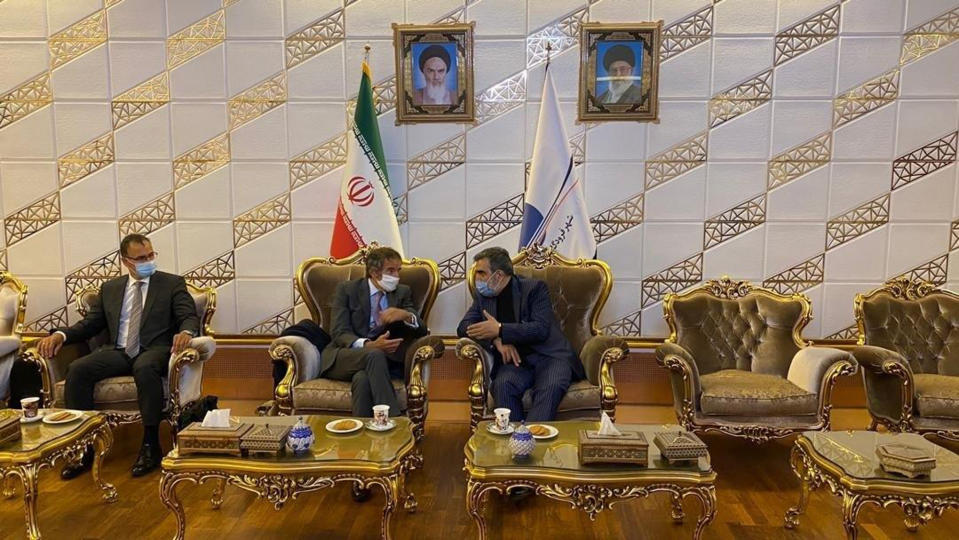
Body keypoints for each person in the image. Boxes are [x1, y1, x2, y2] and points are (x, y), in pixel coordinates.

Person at [32, 233, 199, 478]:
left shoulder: (171, 283)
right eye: (141, 258)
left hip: (155, 350)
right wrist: (61, 335)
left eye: (151, 255)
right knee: (78, 369)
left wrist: (185, 331)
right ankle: (83, 447)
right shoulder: (110, 289)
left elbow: (188, 315)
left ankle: (151, 445)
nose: (148, 261)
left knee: (145, 367)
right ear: (126, 261)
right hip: (119, 350)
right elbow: (90, 325)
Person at [457, 247, 586, 422]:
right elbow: (464, 327)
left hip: (550, 357)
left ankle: (532, 440)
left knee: (551, 386)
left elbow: (540, 329)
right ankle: (514, 440)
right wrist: (496, 340)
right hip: (517, 363)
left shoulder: (534, 289)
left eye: (481, 273)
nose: (476, 278)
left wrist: (501, 329)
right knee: (502, 385)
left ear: (498, 275)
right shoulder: (484, 297)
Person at [322, 246, 423, 418]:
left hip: (377, 366)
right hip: (344, 356)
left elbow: (421, 328)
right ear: (374, 272)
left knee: (362, 380)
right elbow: (339, 332)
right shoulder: (347, 290)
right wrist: (369, 345)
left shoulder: (402, 292)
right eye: (390, 271)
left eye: (398, 270)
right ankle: (394, 421)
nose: (397, 276)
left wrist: (406, 316)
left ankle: (363, 434)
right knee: (375, 354)